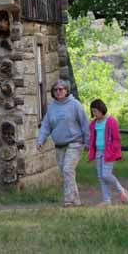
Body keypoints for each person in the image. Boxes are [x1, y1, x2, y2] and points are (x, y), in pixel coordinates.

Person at [37, 79, 90, 207]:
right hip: (59, 146)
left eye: (61, 89)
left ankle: (68, 200)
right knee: (67, 173)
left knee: (68, 170)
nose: (58, 92)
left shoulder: (75, 105)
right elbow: (46, 126)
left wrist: (88, 142)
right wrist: (40, 140)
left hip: (75, 143)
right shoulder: (52, 108)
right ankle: (77, 201)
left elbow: (85, 124)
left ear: (66, 90)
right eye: (55, 90)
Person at [87, 99, 128, 206]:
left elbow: (116, 139)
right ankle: (106, 200)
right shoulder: (93, 124)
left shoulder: (111, 121)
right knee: (101, 177)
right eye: (93, 111)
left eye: (95, 111)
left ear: (101, 109)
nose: (94, 114)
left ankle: (121, 190)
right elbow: (91, 138)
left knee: (106, 175)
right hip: (98, 152)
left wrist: (112, 150)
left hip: (108, 153)